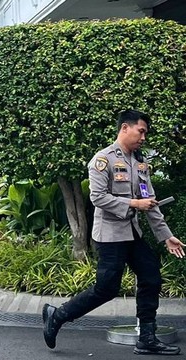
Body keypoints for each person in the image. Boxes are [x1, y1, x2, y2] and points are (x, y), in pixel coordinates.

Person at [42, 109, 185, 356]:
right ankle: (58, 315)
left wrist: (166, 236)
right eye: (141, 131)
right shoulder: (103, 160)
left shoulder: (140, 162)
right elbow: (97, 197)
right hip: (109, 236)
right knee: (107, 288)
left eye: (145, 133)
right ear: (125, 128)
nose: (143, 137)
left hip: (132, 233)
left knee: (150, 275)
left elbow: (149, 201)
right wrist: (132, 204)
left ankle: (147, 339)